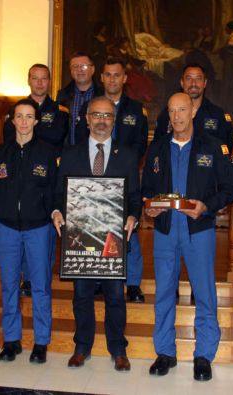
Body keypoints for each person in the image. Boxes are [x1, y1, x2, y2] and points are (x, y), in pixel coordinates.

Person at [142, 93, 233, 381]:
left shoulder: (212, 147)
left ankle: (204, 354)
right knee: (164, 293)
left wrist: (207, 206)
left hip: (199, 231)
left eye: (182, 109)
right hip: (166, 232)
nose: (177, 116)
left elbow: (229, 189)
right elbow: (146, 189)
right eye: (172, 111)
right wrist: (149, 208)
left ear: (193, 111)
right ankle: (165, 352)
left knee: (205, 294)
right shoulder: (157, 148)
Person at [52, 96, 141, 372]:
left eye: (107, 116)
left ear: (114, 122)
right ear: (87, 119)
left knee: (116, 296)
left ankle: (118, 349)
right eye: (96, 115)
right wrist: (56, 211)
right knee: (82, 295)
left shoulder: (127, 155)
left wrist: (133, 215)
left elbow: (135, 196)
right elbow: (59, 193)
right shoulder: (70, 154)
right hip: (80, 238)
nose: (102, 120)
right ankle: (82, 347)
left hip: (113, 238)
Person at [76, 57, 149, 303]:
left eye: (117, 75)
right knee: (94, 228)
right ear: (102, 77)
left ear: (124, 78)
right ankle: (97, 278)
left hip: (123, 175)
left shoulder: (136, 110)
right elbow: (78, 140)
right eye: (107, 75)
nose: (112, 79)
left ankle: (134, 283)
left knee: (129, 229)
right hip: (94, 176)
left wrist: (125, 164)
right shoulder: (89, 106)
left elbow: (140, 143)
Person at [0, 99, 57, 363]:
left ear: (36, 122)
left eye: (30, 117)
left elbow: (54, 191)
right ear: (13, 120)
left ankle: (41, 342)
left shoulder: (47, 154)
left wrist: (53, 212)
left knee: (40, 286)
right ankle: (12, 340)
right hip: (7, 228)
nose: (25, 122)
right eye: (20, 116)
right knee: (9, 286)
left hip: (39, 228)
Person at [3, 63, 68, 297]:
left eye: (44, 79)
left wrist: (33, 137)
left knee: (45, 233)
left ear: (49, 82)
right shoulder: (15, 109)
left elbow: (58, 136)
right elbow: (9, 140)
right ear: (28, 80)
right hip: (21, 177)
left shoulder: (60, 111)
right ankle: (27, 280)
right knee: (20, 231)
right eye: (35, 78)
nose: (39, 83)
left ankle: (41, 277)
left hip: (47, 175)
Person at [154, 64, 233, 152]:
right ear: (182, 83)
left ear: (205, 83)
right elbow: (157, 148)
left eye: (198, 78)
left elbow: (225, 153)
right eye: (188, 78)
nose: (193, 83)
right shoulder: (166, 114)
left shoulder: (218, 115)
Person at [56, 52, 104, 147]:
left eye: (84, 66)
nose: (79, 70)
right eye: (75, 66)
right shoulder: (62, 95)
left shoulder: (103, 95)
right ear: (71, 71)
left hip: (97, 153)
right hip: (69, 153)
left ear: (92, 69)